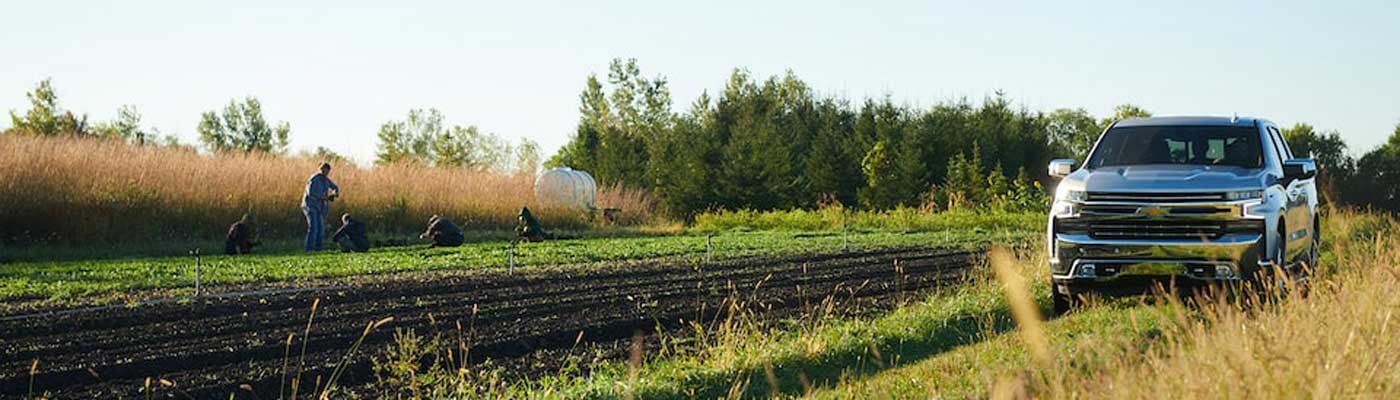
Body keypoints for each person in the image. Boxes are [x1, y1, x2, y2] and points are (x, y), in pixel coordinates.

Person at [301, 162, 340, 252]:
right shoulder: (314, 179)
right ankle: (309, 249)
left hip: (319, 207)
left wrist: (335, 193)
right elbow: (310, 193)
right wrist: (324, 198)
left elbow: (335, 187)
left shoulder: (326, 180)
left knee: (320, 228)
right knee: (313, 227)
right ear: (319, 169)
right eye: (322, 170)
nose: (324, 172)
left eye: (326, 171)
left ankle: (318, 248)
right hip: (310, 205)